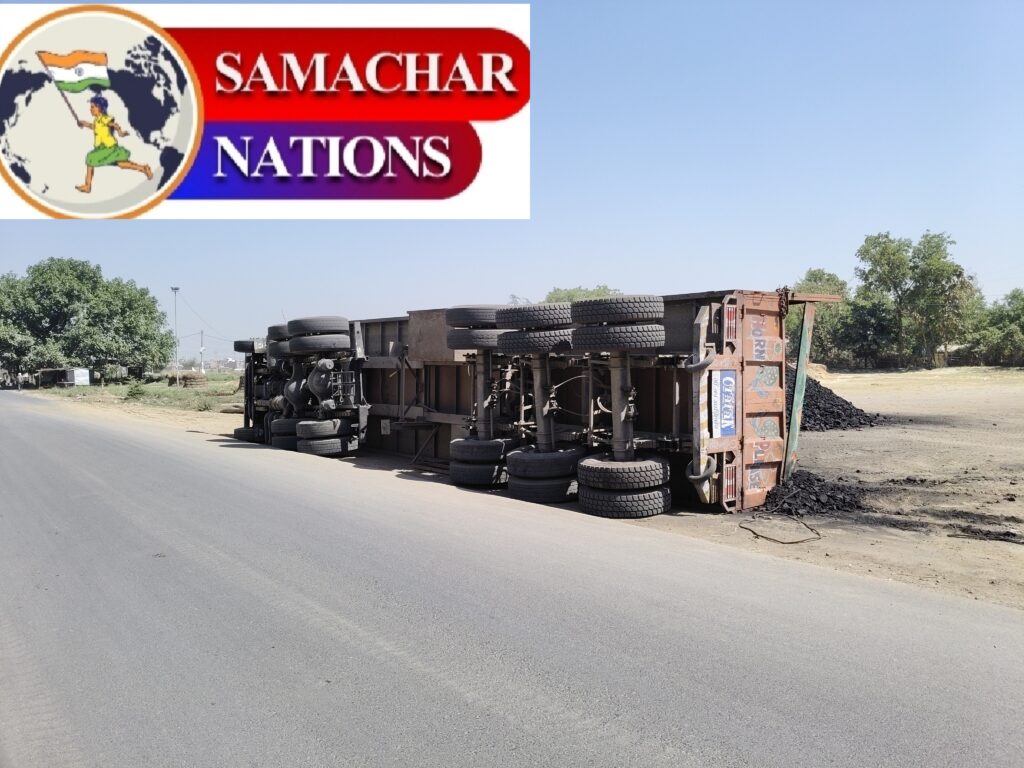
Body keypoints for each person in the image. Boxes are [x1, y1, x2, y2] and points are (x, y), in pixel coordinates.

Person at [76, 95, 152, 193]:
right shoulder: (97, 120)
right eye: (91, 107)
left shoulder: (104, 118)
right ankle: (143, 168)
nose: (91, 109)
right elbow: (93, 126)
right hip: (102, 148)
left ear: (100, 108)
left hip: (108, 148)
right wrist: (83, 123)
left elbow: (114, 125)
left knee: (90, 158)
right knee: (121, 164)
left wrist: (120, 132)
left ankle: (87, 186)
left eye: (93, 107)